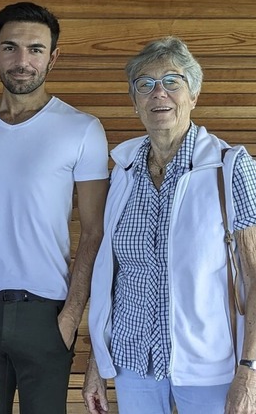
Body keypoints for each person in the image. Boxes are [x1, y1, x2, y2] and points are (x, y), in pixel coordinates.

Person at [0, 2, 109, 414]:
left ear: (53, 57)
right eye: (11, 48)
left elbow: (94, 231)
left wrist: (71, 317)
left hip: (46, 313)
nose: (22, 61)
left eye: (36, 49)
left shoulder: (82, 129)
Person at [83, 36, 256, 414]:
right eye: (145, 84)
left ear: (194, 94)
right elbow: (113, 278)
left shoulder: (230, 168)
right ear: (135, 103)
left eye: (172, 81)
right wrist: (97, 363)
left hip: (210, 369)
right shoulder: (122, 174)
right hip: (133, 364)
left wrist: (251, 370)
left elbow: (255, 275)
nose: (158, 92)